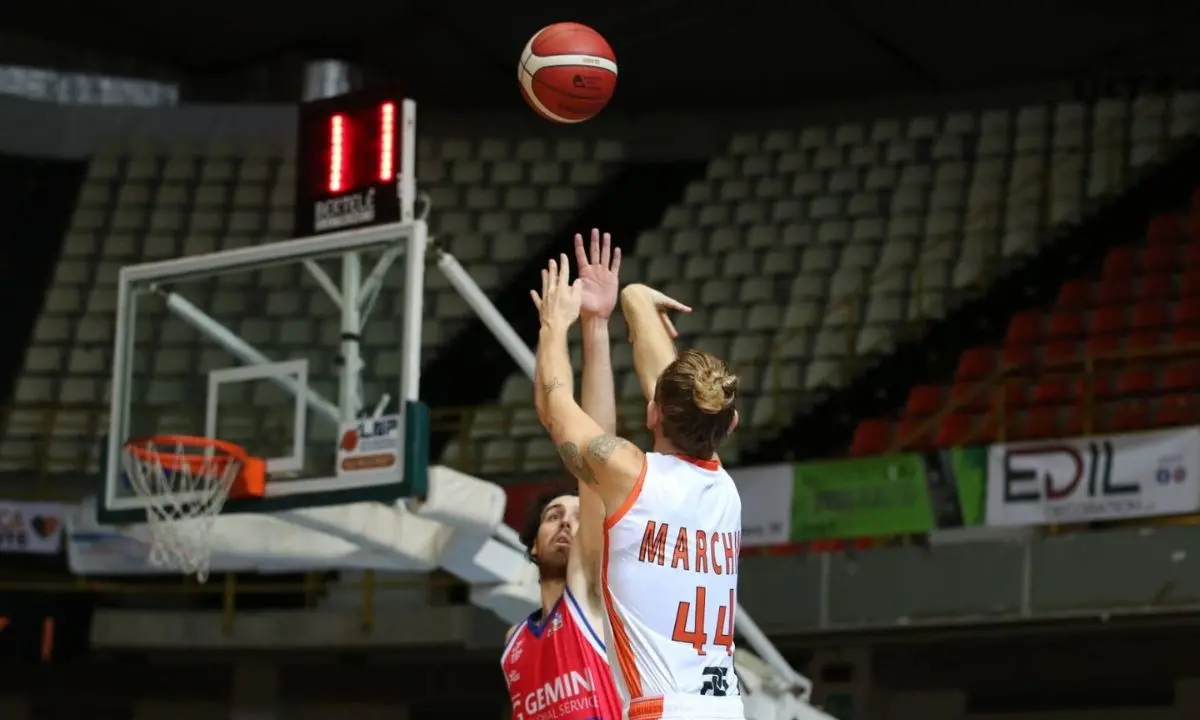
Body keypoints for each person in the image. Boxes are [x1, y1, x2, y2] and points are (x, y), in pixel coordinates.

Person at [531, 253, 745, 720]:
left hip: (662, 711)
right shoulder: (725, 491)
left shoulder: (629, 474)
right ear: (729, 424)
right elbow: (673, 396)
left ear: (652, 414)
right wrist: (635, 301)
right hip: (726, 708)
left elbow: (554, 407)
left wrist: (554, 325)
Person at [501, 230, 624, 720]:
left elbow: (595, 447)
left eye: (577, 513)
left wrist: (593, 328)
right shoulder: (513, 645)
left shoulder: (587, 593)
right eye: (554, 515)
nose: (570, 523)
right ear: (532, 544)